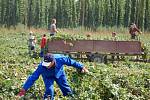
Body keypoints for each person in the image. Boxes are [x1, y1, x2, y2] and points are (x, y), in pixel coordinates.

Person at [17, 53, 89, 99]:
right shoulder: (41, 66)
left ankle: (70, 98)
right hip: (47, 76)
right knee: (49, 90)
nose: (47, 66)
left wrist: (82, 67)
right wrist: (24, 89)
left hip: (59, 74)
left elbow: (71, 62)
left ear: (53, 61)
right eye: (46, 64)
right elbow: (33, 77)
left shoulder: (60, 59)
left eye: (48, 64)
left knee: (66, 89)